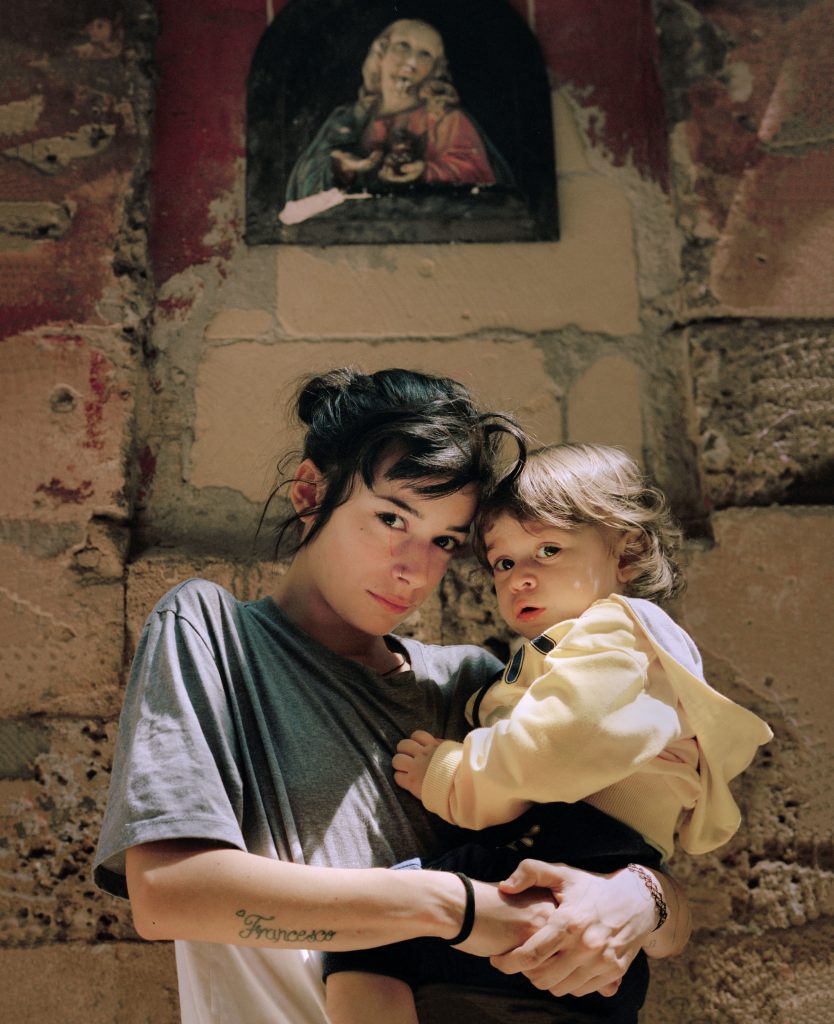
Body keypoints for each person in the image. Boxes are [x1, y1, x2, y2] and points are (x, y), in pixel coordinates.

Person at [94, 374, 691, 1024]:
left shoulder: (474, 685)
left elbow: (632, 876)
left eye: (445, 542)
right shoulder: (212, 633)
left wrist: (640, 899)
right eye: (391, 519)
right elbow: (167, 896)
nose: (415, 570)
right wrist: (455, 908)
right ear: (310, 493)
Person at [323, 442, 771, 1024]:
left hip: (562, 858)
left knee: (366, 931)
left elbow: (556, 746)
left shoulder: (614, 631)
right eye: (503, 563)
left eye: (548, 550)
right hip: (596, 896)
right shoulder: (599, 647)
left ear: (627, 552)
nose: (520, 579)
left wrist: (451, 775)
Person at [284, 19, 512, 204]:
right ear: (380, 54)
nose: (411, 62)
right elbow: (303, 187)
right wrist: (339, 168)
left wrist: (426, 171)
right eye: (403, 46)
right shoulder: (347, 119)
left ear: (435, 69)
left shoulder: (445, 119)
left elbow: (480, 176)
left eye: (425, 54)